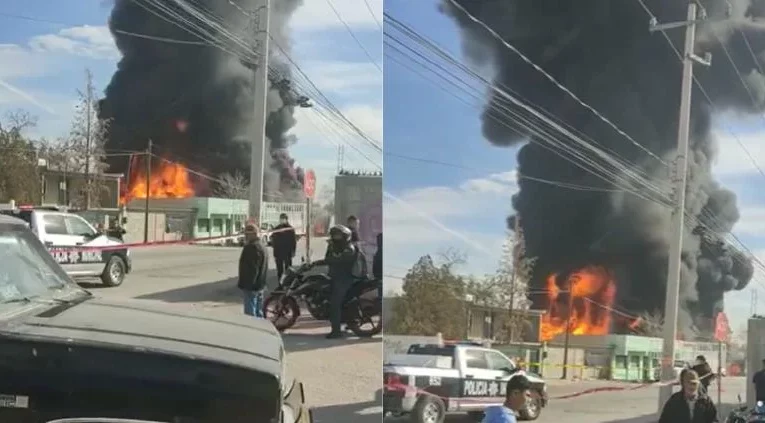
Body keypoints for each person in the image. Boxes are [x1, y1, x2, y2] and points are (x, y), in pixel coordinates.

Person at [323, 224, 359, 339]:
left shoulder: (349, 249)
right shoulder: (334, 247)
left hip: (344, 279)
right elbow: (327, 259)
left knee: (335, 303)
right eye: (334, 235)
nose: (335, 238)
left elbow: (336, 260)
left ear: (345, 236)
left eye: (338, 236)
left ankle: (336, 331)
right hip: (335, 277)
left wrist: (332, 257)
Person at [237, 223, 268, 318]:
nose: (245, 237)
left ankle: (252, 330)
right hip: (260, 285)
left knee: (250, 314)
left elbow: (252, 269)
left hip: (251, 286)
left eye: (247, 234)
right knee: (259, 312)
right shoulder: (262, 246)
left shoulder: (251, 248)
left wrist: (248, 285)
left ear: (253, 234)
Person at [270, 213, 297, 281]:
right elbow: (273, 240)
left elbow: (293, 241)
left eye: (283, 218)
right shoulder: (277, 228)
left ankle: (288, 283)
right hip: (278, 252)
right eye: (281, 218)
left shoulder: (290, 229)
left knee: (288, 269)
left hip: (287, 252)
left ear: (286, 219)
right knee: (280, 271)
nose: (282, 220)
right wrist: (274, 249)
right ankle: (280, 283)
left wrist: (293, 251)